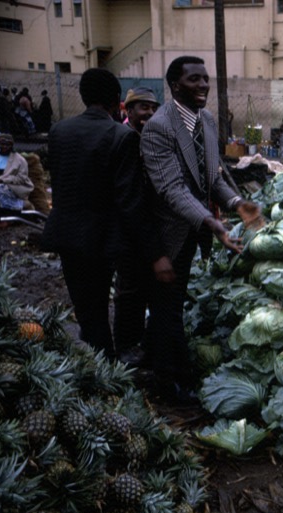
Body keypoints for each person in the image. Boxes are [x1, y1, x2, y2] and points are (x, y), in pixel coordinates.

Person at [141, 56, 260, 402]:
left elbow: (213, 177)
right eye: (194, 80)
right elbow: (172, 189)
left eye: (206, 79)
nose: (204, 85)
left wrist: (238, 204)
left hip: (195, 229)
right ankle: (170, 384)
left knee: (171, 303)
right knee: (167, 307)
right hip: (165, 233)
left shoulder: (206, 120)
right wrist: (212, 221)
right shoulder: (158, 127)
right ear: (175, 85)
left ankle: (155, 358)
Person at [40, 68, 167, 359]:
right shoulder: (121, 136)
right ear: (118, 100)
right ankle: (109, 367)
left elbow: (59, 182)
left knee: (87, 308)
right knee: (104, 299)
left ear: (83, 96)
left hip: (66, 233)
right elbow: (129, 201)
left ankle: (100, 358)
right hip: (101, 238)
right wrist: (154, 251)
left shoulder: (59, 131)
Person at [113, 87, 162, 365]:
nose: (149, 114)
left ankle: (138, 342)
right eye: (143, 108)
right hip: (128, 229)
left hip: (145, 227)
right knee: (129, 291)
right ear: (128, 111)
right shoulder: (125, 138)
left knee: (142, 288)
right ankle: (125, 348)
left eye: (153, 108)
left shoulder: (148, 138)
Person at [0, 133, 33, 215]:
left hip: (14, 187)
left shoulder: (20, 160)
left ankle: (21, 205)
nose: (4, 147)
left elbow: (21, 178)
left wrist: (2, 180)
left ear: (11, 145)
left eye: (7, 145)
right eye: (2, 144)